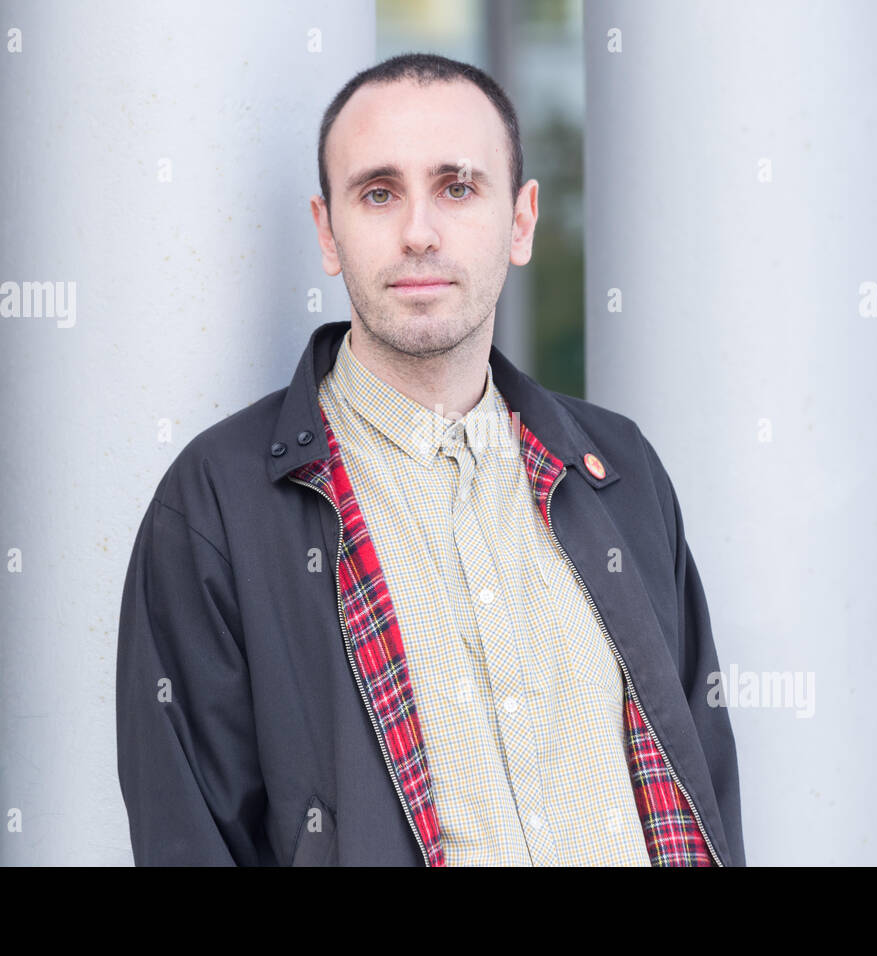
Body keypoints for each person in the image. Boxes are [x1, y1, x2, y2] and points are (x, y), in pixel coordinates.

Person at [116, 52, 744, 867]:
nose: (419, 231)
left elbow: (706, 786)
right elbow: (190, 838)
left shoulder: (618, 471)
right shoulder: (217, 506)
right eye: (379, 193)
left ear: (520, 223)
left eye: (458, 187)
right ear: (327, 231)